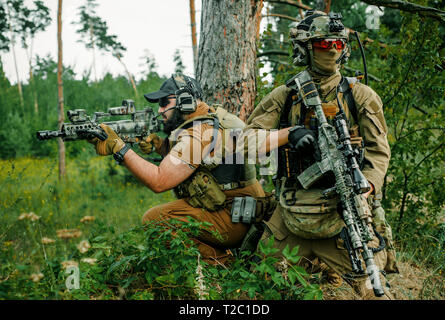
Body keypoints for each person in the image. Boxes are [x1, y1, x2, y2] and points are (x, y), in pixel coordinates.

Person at [243, 11, 397, 299]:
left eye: (337, 44)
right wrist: (289, 134)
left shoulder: (360, 95)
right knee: (258, 289)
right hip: (292, 214)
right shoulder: (285, 96)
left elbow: (378, 151)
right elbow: (247, 143)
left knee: (372, 288)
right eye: (324, 45)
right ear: (306, 48)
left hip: (342, 215)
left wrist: (366, 188)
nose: (332, 50)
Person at [88, 73, 266, 265]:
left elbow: (159, 180)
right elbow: (197, 159)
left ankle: (222, 264)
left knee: (155, 219)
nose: (160, 110)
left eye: (165, 102)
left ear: (184, 101)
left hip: (233, 218)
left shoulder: (199, 132)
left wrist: (119, 148)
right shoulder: (210, 118)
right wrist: (159, 145)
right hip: (243, 211)